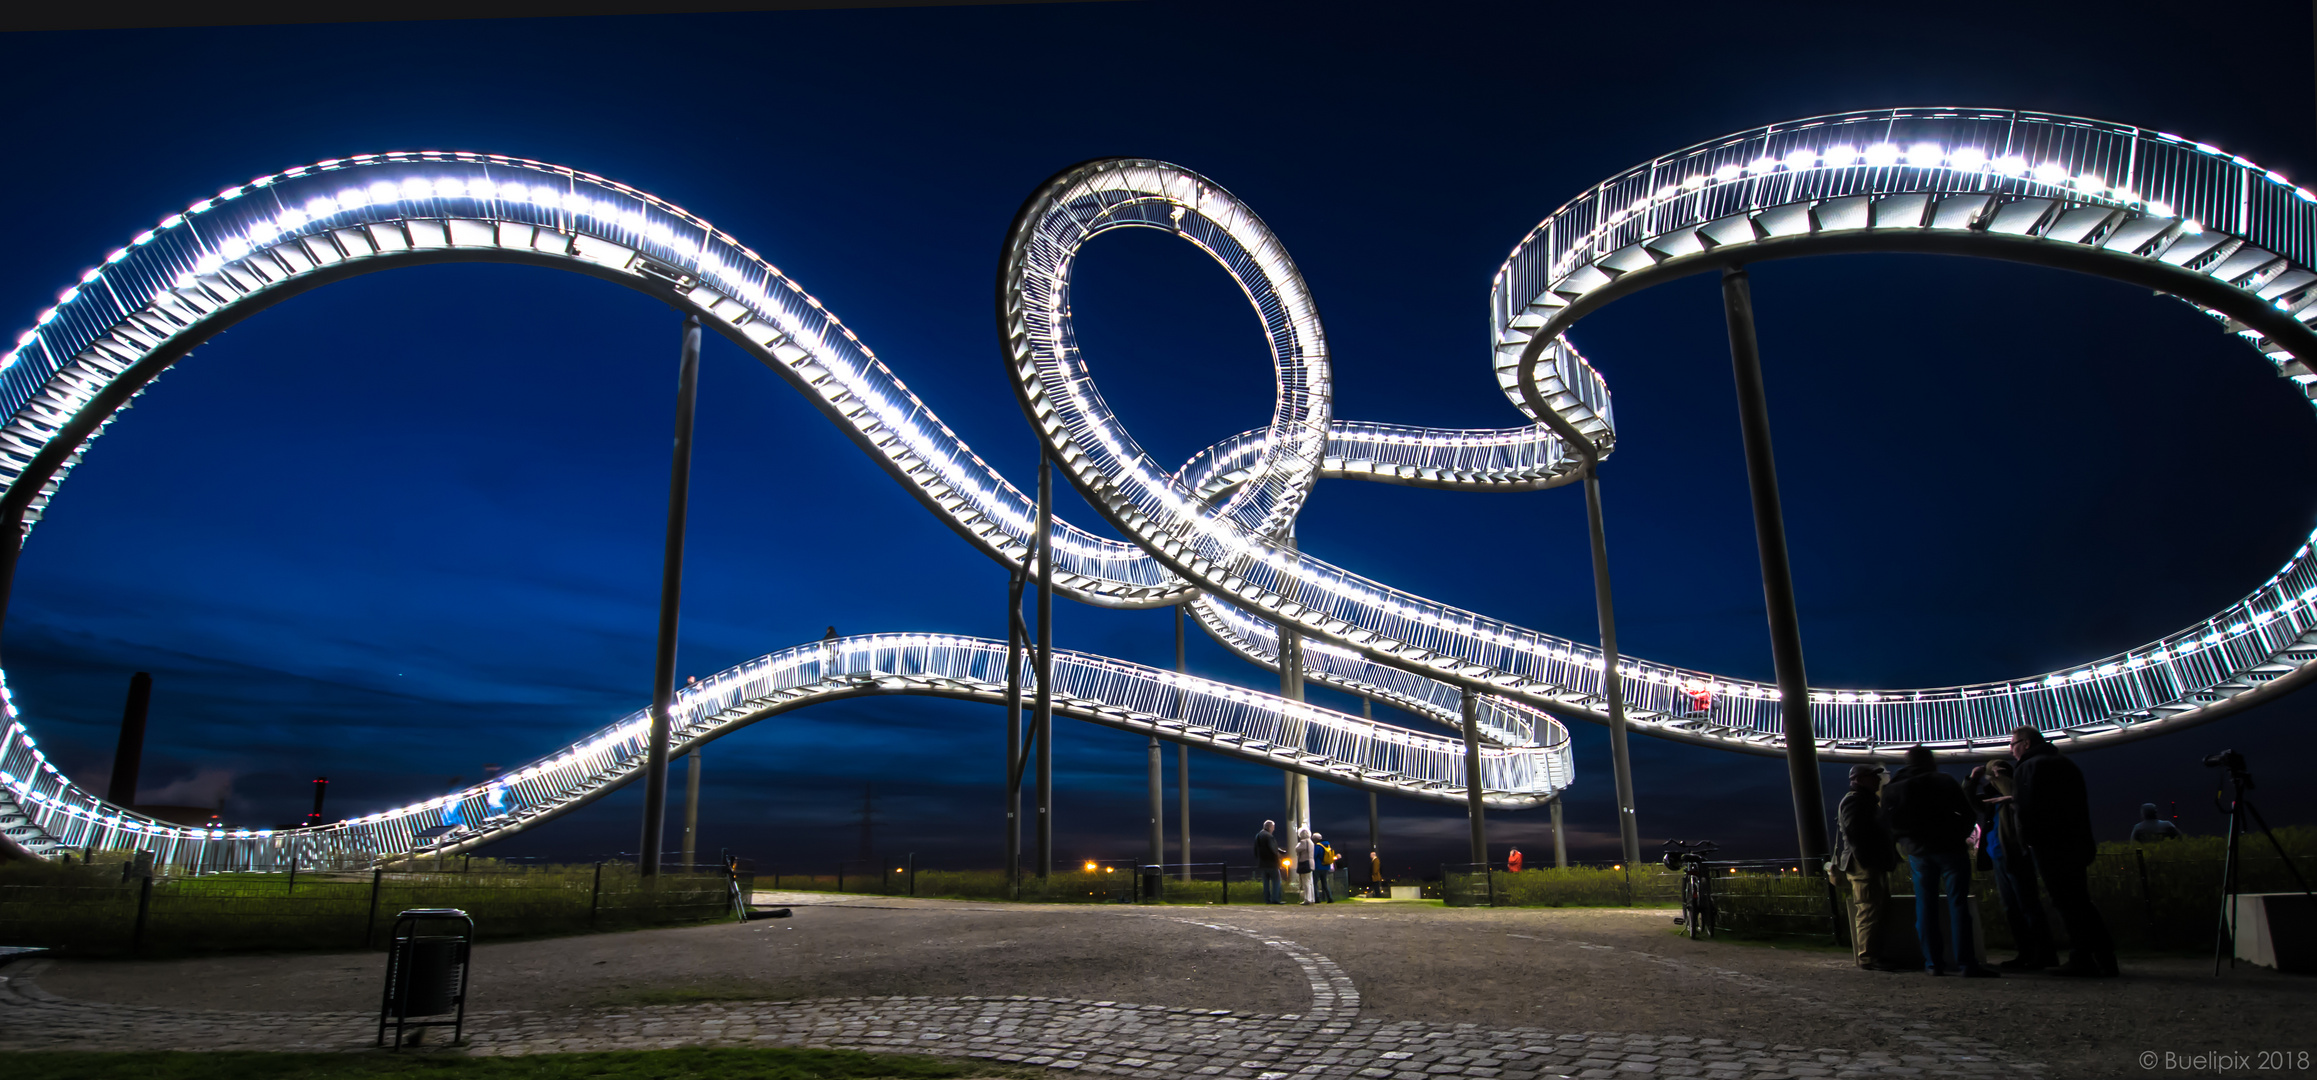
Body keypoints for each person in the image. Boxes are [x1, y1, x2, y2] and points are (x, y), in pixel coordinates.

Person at [2001, 726, 2117, 977]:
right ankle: (2105, 958)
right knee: (2080, 900)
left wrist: (2026, 841)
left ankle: (2081, 959)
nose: (2011, 749)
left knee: (2065, 901)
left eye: (2013, 744)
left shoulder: (2028, 767)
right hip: (2076, 841)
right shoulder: (2064, 763)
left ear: (2026, 744)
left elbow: (2025, 808)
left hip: (2050, 844)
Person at [1882, 745, 2000, 977]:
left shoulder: (1893, 788)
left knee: (1925, 906)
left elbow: (1886, 823)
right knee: (1958, 905)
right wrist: (1958, 836)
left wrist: (1905, 844)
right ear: (1930, 761)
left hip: (1918, 853)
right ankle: (1967, 963)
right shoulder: (1943, 780)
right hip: (1951, 849)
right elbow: (1967, 813)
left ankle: (1933, 963)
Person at [1969, 757, 2055, 971]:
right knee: (2013, 908)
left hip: (2014, 855)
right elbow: (1972, 802)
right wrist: (1970, 782)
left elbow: (2019, 798)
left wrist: (2001, 778)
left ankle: (2041, 954)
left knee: (2027, 905)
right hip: (2000, 857)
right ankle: (2026, 953)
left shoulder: (2015, 794)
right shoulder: (1995, 798)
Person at [1830, 764, 1905, 972]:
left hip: (1867, 862)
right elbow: (1856, 834)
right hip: (1866, 863)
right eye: (1873, 777)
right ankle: (1869, 956)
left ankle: (1872, 955)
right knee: (1870, 909)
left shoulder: (1860, 800)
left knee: (1873, 907)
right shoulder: (1856, 801)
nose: (1877, 780)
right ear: (1859, 779)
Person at [1254, 820, 1283, 904]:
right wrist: (1278, 859)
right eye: (1273, 827)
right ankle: (1275, 899)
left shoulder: (1258, 835)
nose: (1273, 829)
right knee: (1276, 882)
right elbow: (1273, 850)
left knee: (1265, 883)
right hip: (1272, 863)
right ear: (1270, 827)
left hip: (1262, 863)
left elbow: (1256, 850)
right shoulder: (1269, 836)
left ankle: (1267, 900)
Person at [1294, 827, 1316, 904]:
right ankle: (1312, 898)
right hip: (1311, 862)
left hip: (1304, 863)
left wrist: (1298, 845)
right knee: (1310, 881)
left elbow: (1297, 849)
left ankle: (1307, 899)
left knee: (1305, 881)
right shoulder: (1311, 842)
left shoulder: (1303, 842)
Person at [1313, 832, 1336, 903]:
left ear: (1315, 839)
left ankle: (1317, 898)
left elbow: (1314, 856)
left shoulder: (1318, 846)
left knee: (1315, 883)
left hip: (1318, 867)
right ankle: (1330, 898)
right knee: (1325, 883)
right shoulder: (1327, 845)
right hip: (1326, 867)